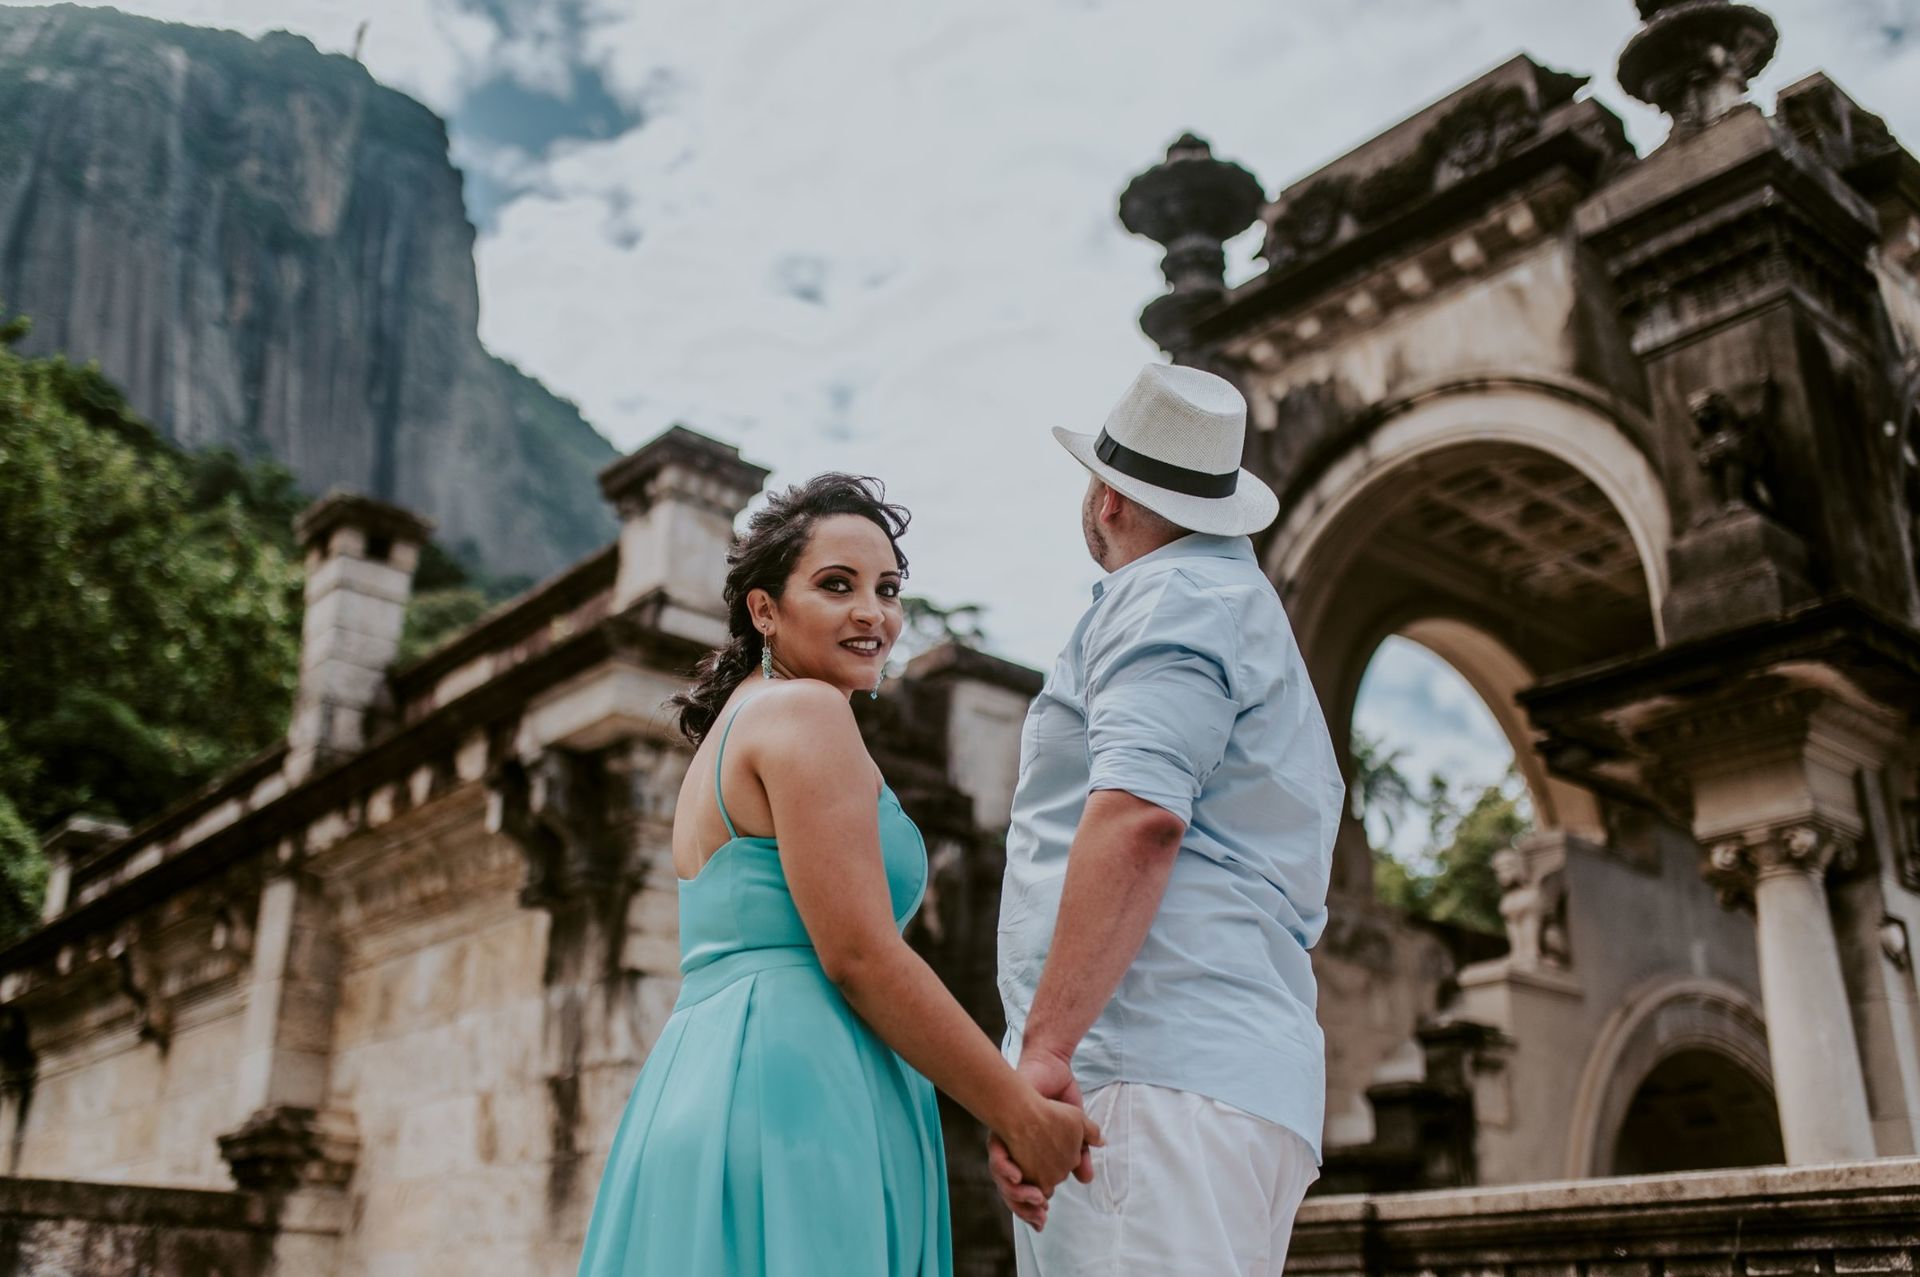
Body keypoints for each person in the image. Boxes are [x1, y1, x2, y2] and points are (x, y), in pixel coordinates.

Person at [576, 474, 1099, 1277]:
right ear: (764, 610)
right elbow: (860, 955)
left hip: (707, 1080)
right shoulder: (805, 714)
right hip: (797, 1092)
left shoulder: (736, 725)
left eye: (887, 589)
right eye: (836, 585)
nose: (873, 613)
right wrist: (1018, 1112)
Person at [991, 364, 1343, 1276]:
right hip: (1224, 1079)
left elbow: (1141, 815)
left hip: (1148, 1076)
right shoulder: (1238, 608)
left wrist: (1043, 1054)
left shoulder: (1167, 596)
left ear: (1106, 499)